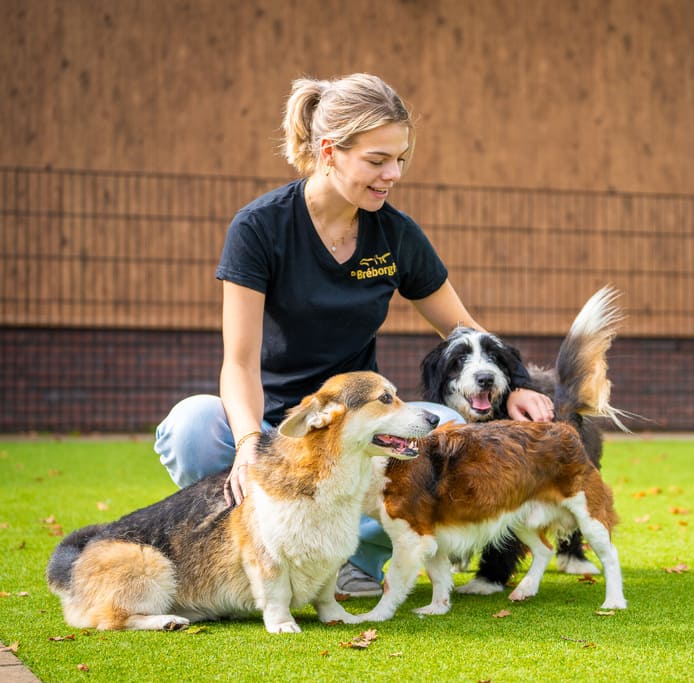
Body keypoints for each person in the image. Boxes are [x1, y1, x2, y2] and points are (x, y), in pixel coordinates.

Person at [154, 73, 553, 598]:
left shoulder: (395, 234)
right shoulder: (259, 229)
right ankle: (259, 552)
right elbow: (240, 362)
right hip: (277, 423)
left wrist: (519, 383)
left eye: (400, 159)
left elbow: (461, 327)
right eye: (377, 160)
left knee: (450, 427)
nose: (392, 174)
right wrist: (249, 442)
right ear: (329, 152)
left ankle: (356, 563)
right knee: (190, 425)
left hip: (360, 424)